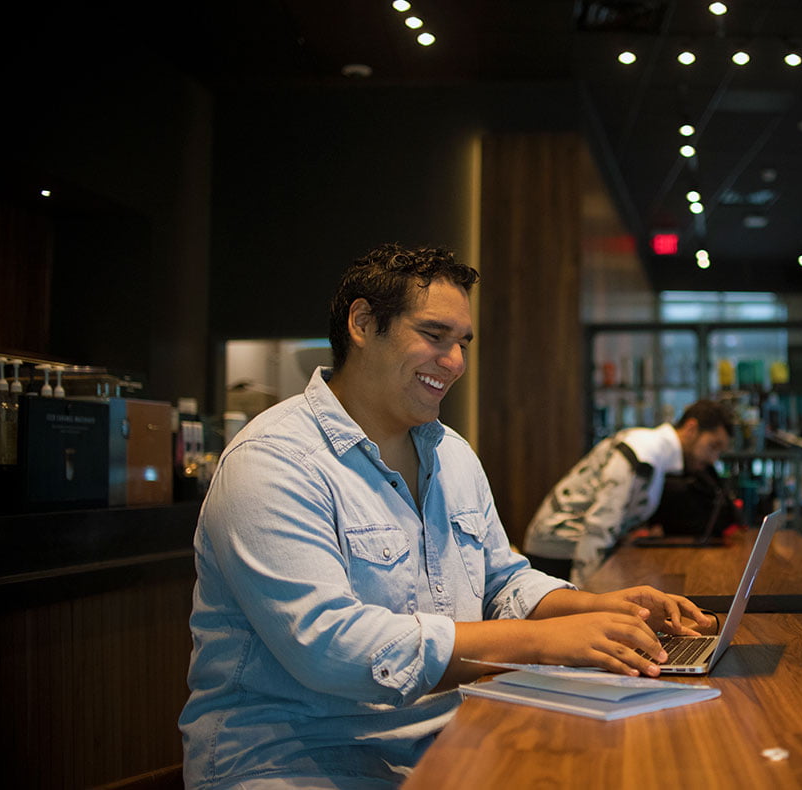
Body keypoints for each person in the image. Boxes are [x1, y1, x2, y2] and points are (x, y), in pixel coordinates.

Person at [179, 243, 712, 789]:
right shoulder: (272, 461)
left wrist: (596, 609)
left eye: (462, 343)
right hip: (292, 759)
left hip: (445, 739)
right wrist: (546, 641)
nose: (455, 362)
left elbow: (502, 580)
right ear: (363, 324)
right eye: (435, 336)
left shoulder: (451, 452)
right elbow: (331, 648)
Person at [521, 400, 735, 586]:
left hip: (570, 549)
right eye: (713, 446)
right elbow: (599, 526)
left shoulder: (654, 454)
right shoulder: (642, 453)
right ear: (691, 428)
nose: (713, 459)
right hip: (558, 553)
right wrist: (587, 598)